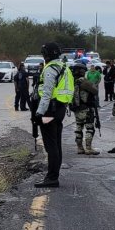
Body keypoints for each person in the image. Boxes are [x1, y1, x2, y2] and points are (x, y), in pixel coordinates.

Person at [33, 42, 74, 188]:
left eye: (44, 53)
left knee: (51, 146)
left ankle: (52, 177)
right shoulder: (64, 67)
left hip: (50, 110)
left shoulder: (51, 69)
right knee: (56, 144)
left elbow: (47, 93)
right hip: (60, 109)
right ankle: (53, 175)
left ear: (47, 55)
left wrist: (39, 113)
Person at [70, 63, 99, 155]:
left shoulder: (72, 81)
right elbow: (95, 90)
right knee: (90, 128)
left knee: (79, 128)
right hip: (86, 108)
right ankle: (88, 148)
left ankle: (79, 148)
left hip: (76, 108)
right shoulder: (83, 81)